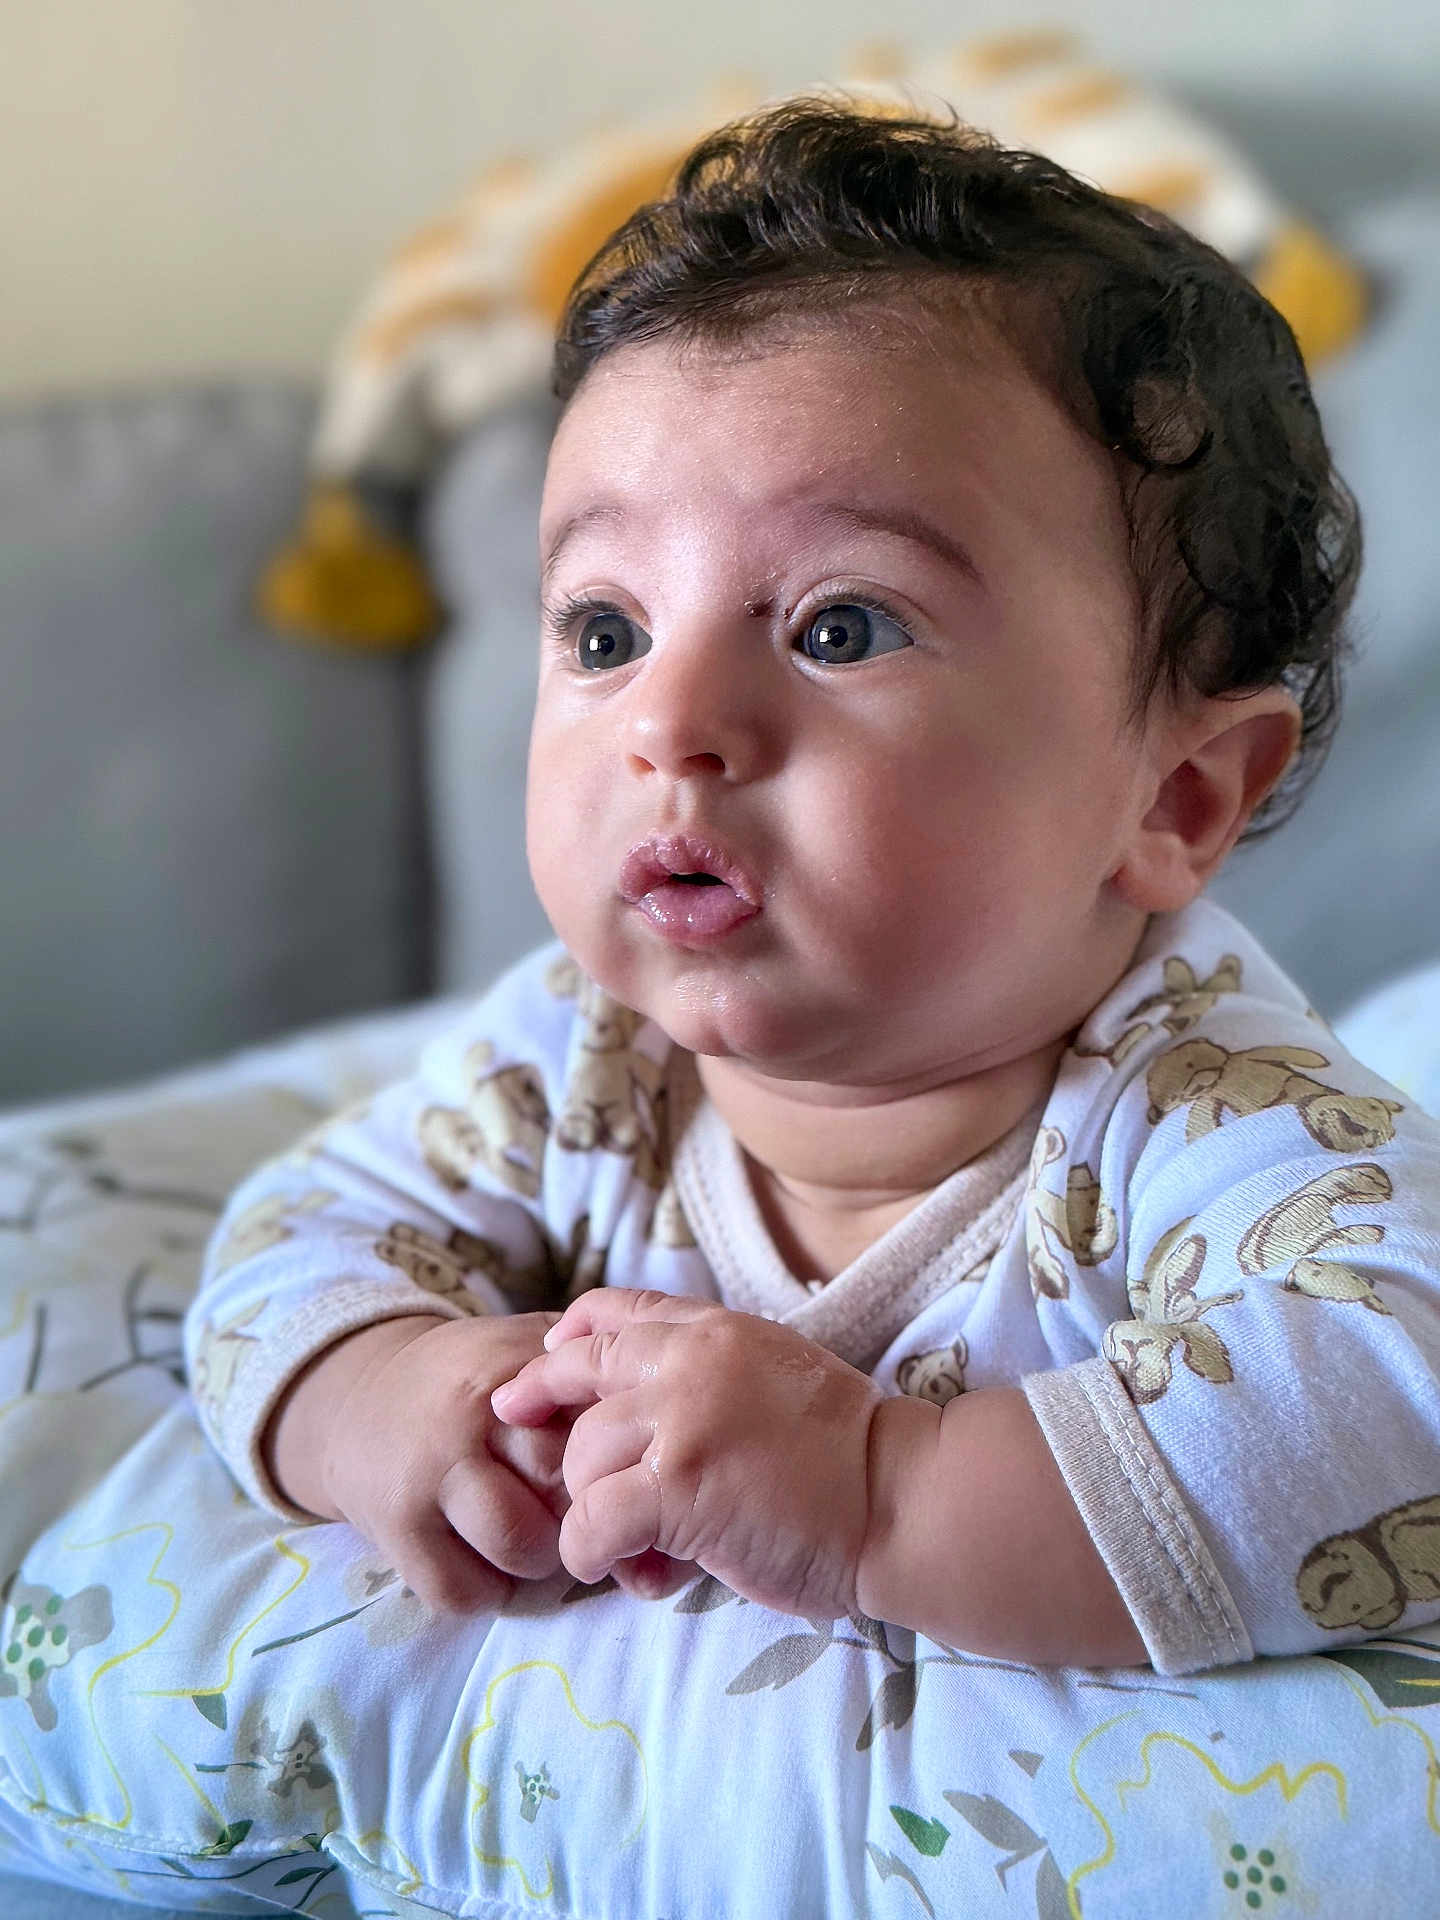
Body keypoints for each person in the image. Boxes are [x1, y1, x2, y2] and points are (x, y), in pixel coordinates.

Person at [185, 100, 1440, 1680]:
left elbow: (1404, 1392)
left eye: (839, 628)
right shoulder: (575, 1062)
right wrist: (393, 1395)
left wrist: (877, 1495)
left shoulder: (1197, 1113)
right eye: (603, 631)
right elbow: (289, 1242)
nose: (669, 727)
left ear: (1172, 799)